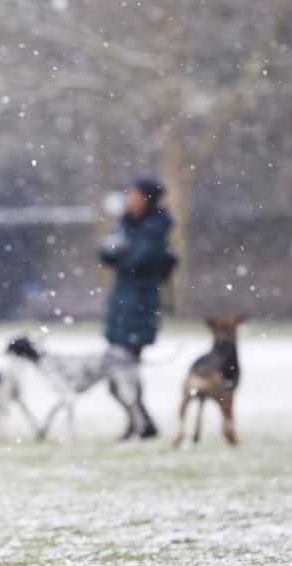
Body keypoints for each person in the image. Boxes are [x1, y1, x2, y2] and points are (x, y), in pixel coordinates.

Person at [99, 177, 177, 439]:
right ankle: (141, 421)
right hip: (120, 304)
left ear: (148, 199)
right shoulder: (124, 223)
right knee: (121, 369)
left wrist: (121, 251)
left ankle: (141, 422)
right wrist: (113, 251)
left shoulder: (155, 228)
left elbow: (139, 261)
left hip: (140, 306)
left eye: (135, 195)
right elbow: (108, 255)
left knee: (126, 367)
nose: (130, 200)